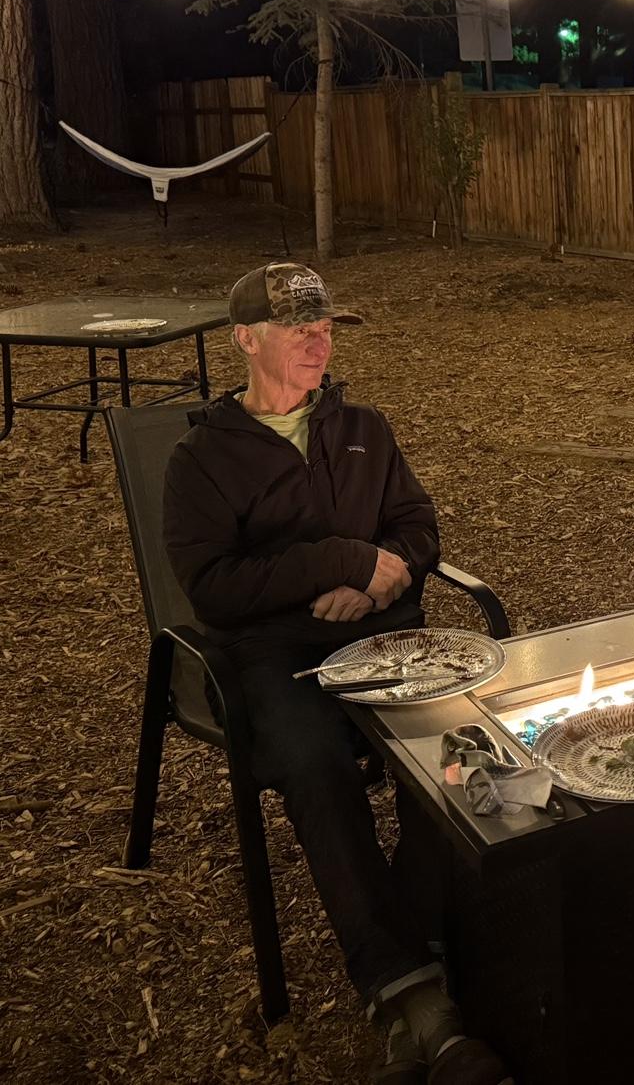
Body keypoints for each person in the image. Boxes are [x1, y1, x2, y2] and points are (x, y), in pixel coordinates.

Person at [162, 262, 511, 1085]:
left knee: (453, 738)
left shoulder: (365, 427)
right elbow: (213, 588)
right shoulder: (202, 460)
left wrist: (385, 572)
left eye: (325, 326)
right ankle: (415, 998)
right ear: (246, 340)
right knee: (316, 764)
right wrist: (340, 560)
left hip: (385, 633)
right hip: (273, 651)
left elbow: (418, 526)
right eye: (298, 328)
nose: (319, 340)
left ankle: (406, 953)